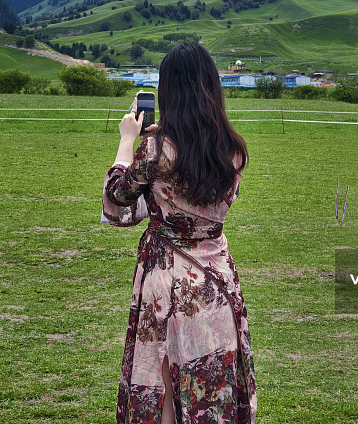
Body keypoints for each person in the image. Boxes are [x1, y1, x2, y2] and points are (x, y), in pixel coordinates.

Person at [102, 42, 257, 424]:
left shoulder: (155, 150)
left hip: (166, 277)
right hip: (217, 277)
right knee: (210, 372)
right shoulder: (233, 150)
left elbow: (118, 197)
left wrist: (127, 141)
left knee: (163, 375)